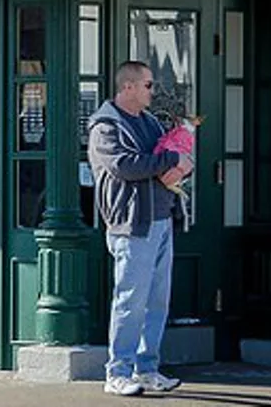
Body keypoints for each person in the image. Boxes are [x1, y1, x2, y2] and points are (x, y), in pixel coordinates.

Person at [87, 60, 195, 397]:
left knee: (157, 302)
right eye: (148, 84)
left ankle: (147, 369)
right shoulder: (106, 127)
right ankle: (117, 373)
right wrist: (170, 161)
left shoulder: (149, 122)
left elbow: (169, 155)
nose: (153, 90)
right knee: (130, 301)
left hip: (161, 221)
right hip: (131, 225)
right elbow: (124, 166)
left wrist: (183, 164)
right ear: (128, 87)